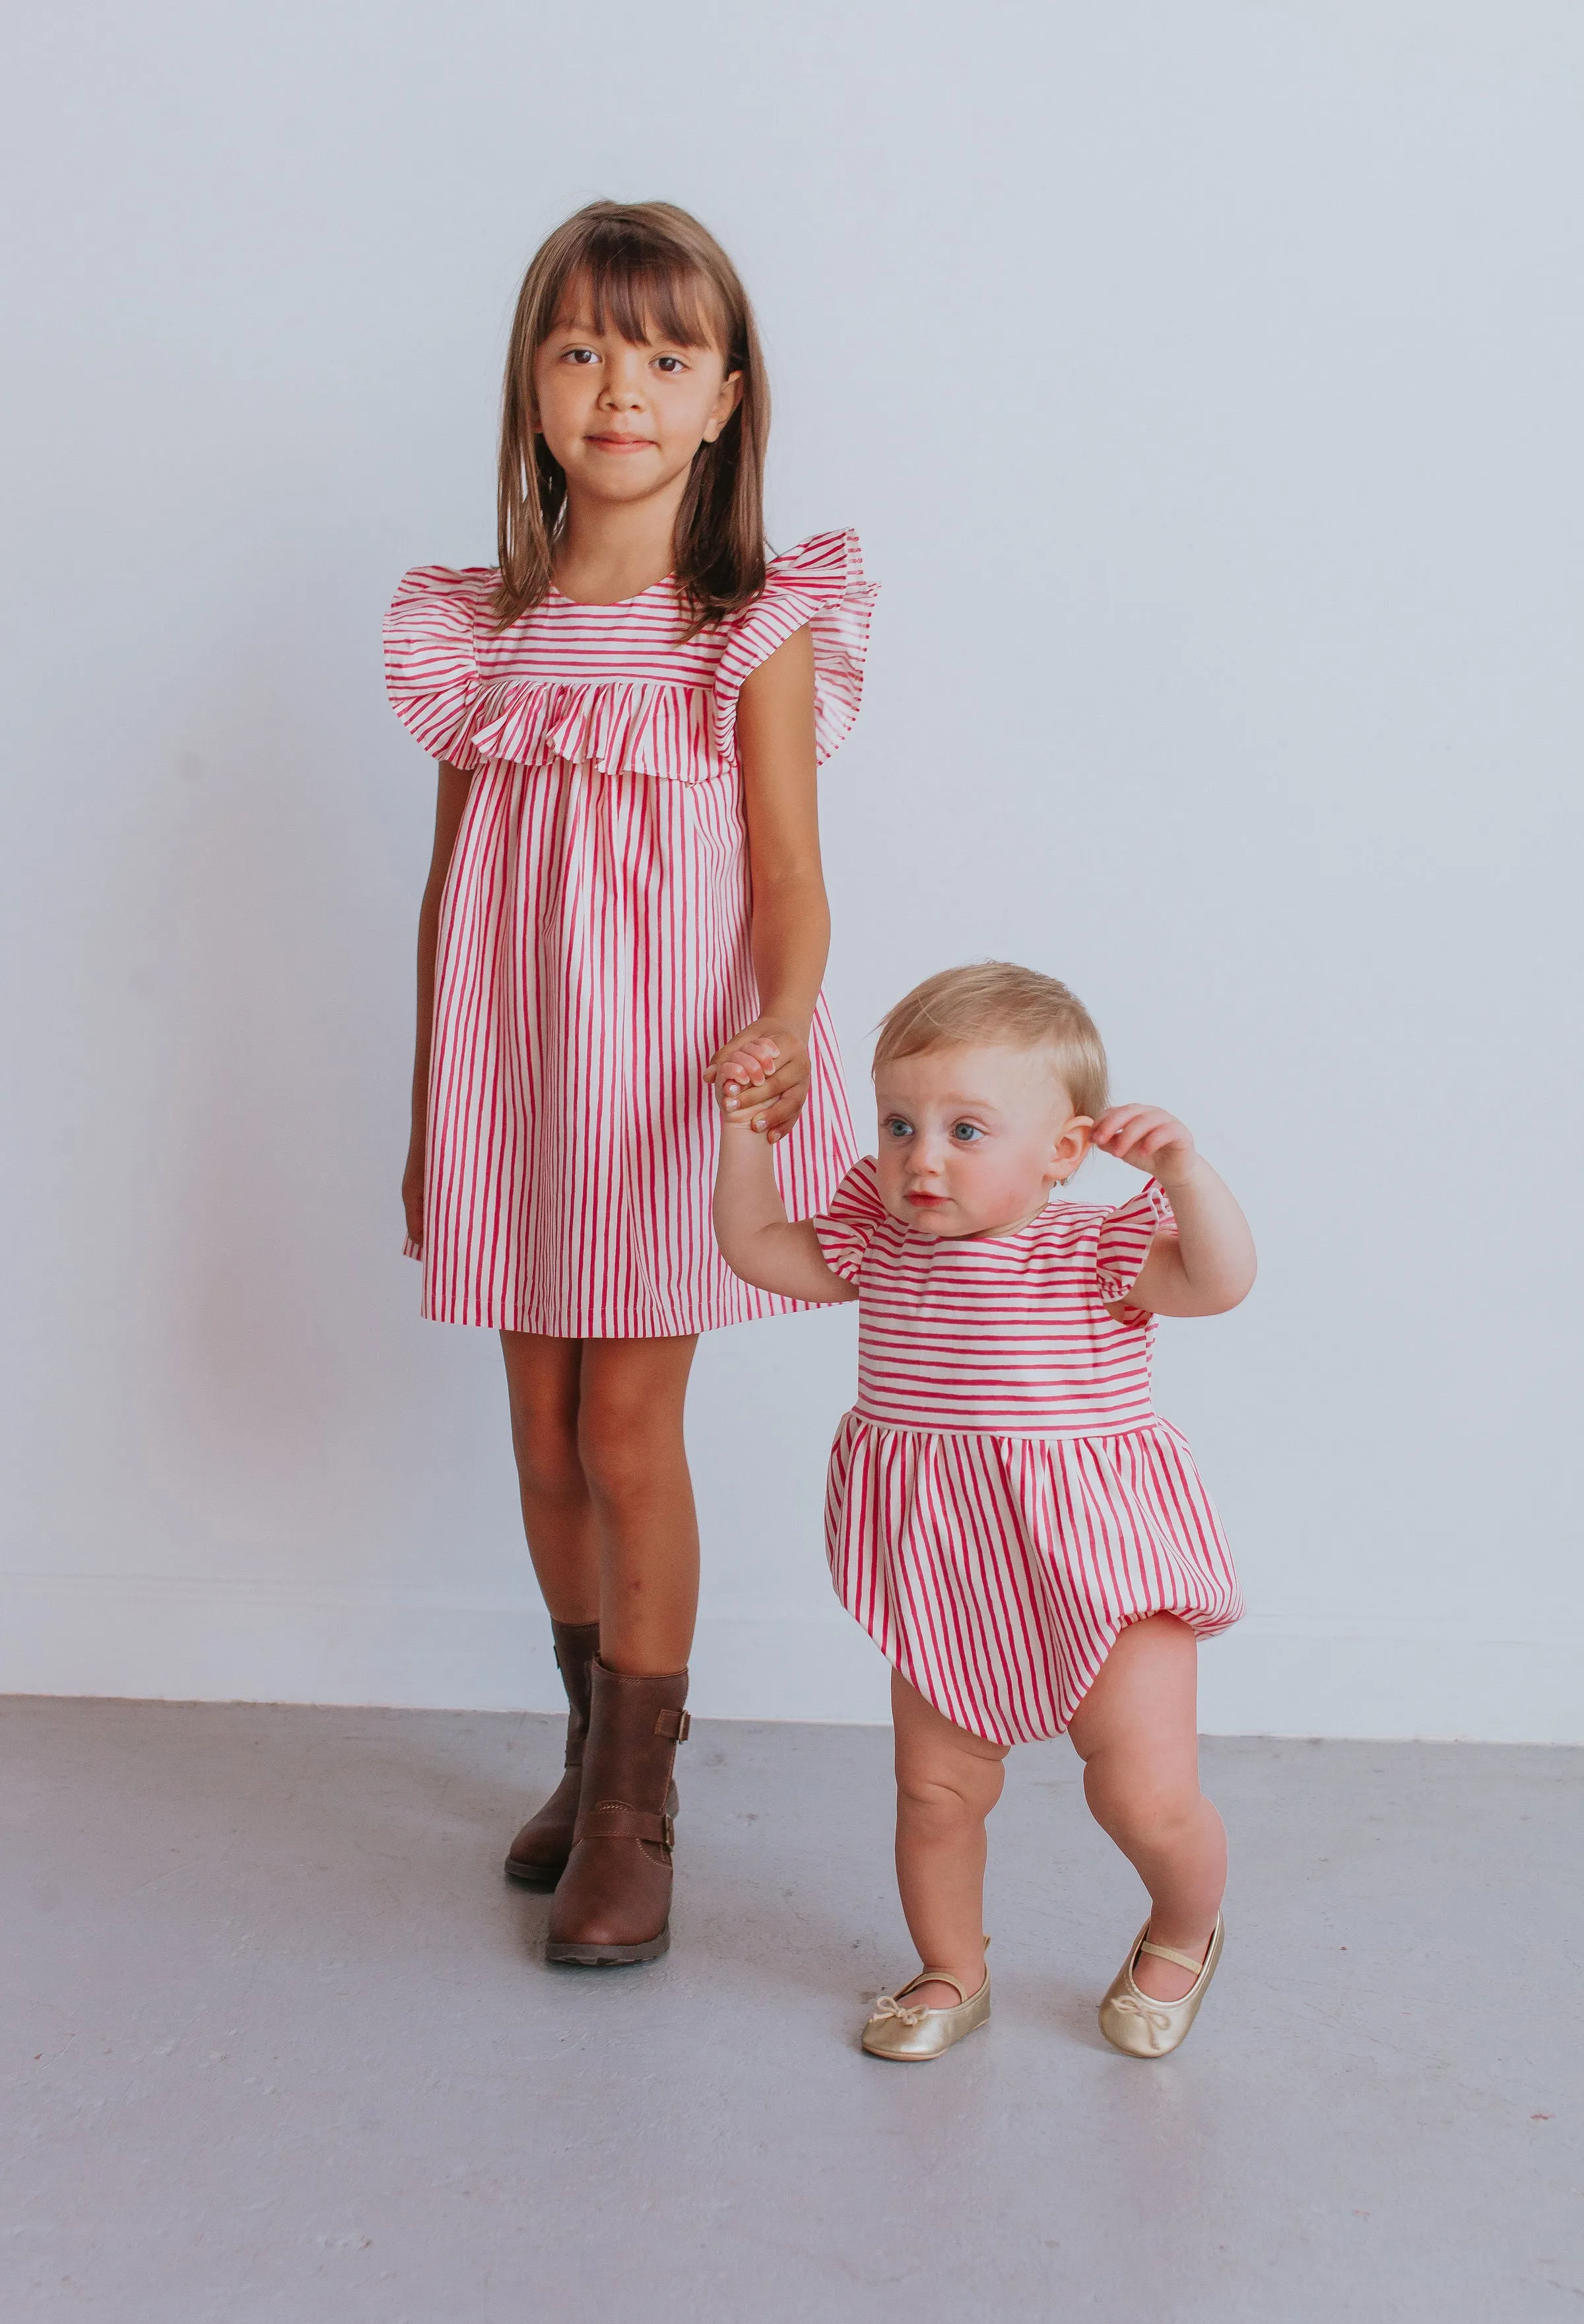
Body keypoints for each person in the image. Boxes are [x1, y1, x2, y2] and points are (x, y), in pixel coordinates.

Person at [385, 201, 876, 1967]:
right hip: (521, 1082)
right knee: (534, 1437)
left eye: (665, 356)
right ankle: (588, 1735)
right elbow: (453, 896)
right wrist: (432, 1108)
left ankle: (635, 1810)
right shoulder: (479, 631)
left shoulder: (745, 629)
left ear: (725, 397)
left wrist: (779, 1021)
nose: (622, 388)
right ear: (532, 385)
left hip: (673, 1081)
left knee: (622, 1430)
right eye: (585, 347)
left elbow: (793, 877)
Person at [712, 962, 1255, 2058]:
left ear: (1064, 1152)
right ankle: (952, 1969)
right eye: (901, 1123)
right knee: (936, 1793)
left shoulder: (1092, 1254)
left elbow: (1221, 1281)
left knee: (1143, 1798)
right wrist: (745, 1142)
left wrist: (1188, 1175)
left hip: (1103, 1566)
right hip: (951, 1570)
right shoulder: (883, 1244)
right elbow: (756, 1249)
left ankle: (1186, 1926)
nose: (922, 1156)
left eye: (968, 1130)